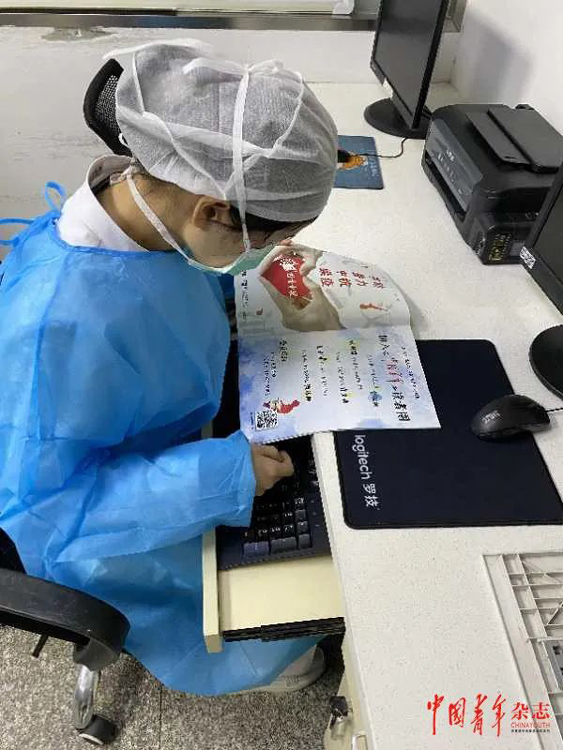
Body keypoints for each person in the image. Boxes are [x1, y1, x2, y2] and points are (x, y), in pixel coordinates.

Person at [0, 40, 338, 695]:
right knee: (283, 607)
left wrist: (245, 286)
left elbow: (166, 290)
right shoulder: (62, 323)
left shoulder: (143, 210)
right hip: (108, 524)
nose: (274, 250)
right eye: (270, 238)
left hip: (168, 431)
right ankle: (267, 663)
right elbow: (49, 508)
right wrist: (222, 476)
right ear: (212, 210)